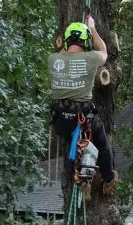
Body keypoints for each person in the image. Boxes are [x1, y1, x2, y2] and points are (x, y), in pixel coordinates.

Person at [48, 15, 117, 195]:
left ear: (65, 40)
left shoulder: (53, 59)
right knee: (102, 144)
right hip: (83, 120)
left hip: (60, 123)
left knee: (78, 138)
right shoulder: (91, 58)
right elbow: (103, 51)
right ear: (86, 42)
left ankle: (81, 167)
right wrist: (92, 28)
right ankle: (109, 180)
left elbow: (65, 53)